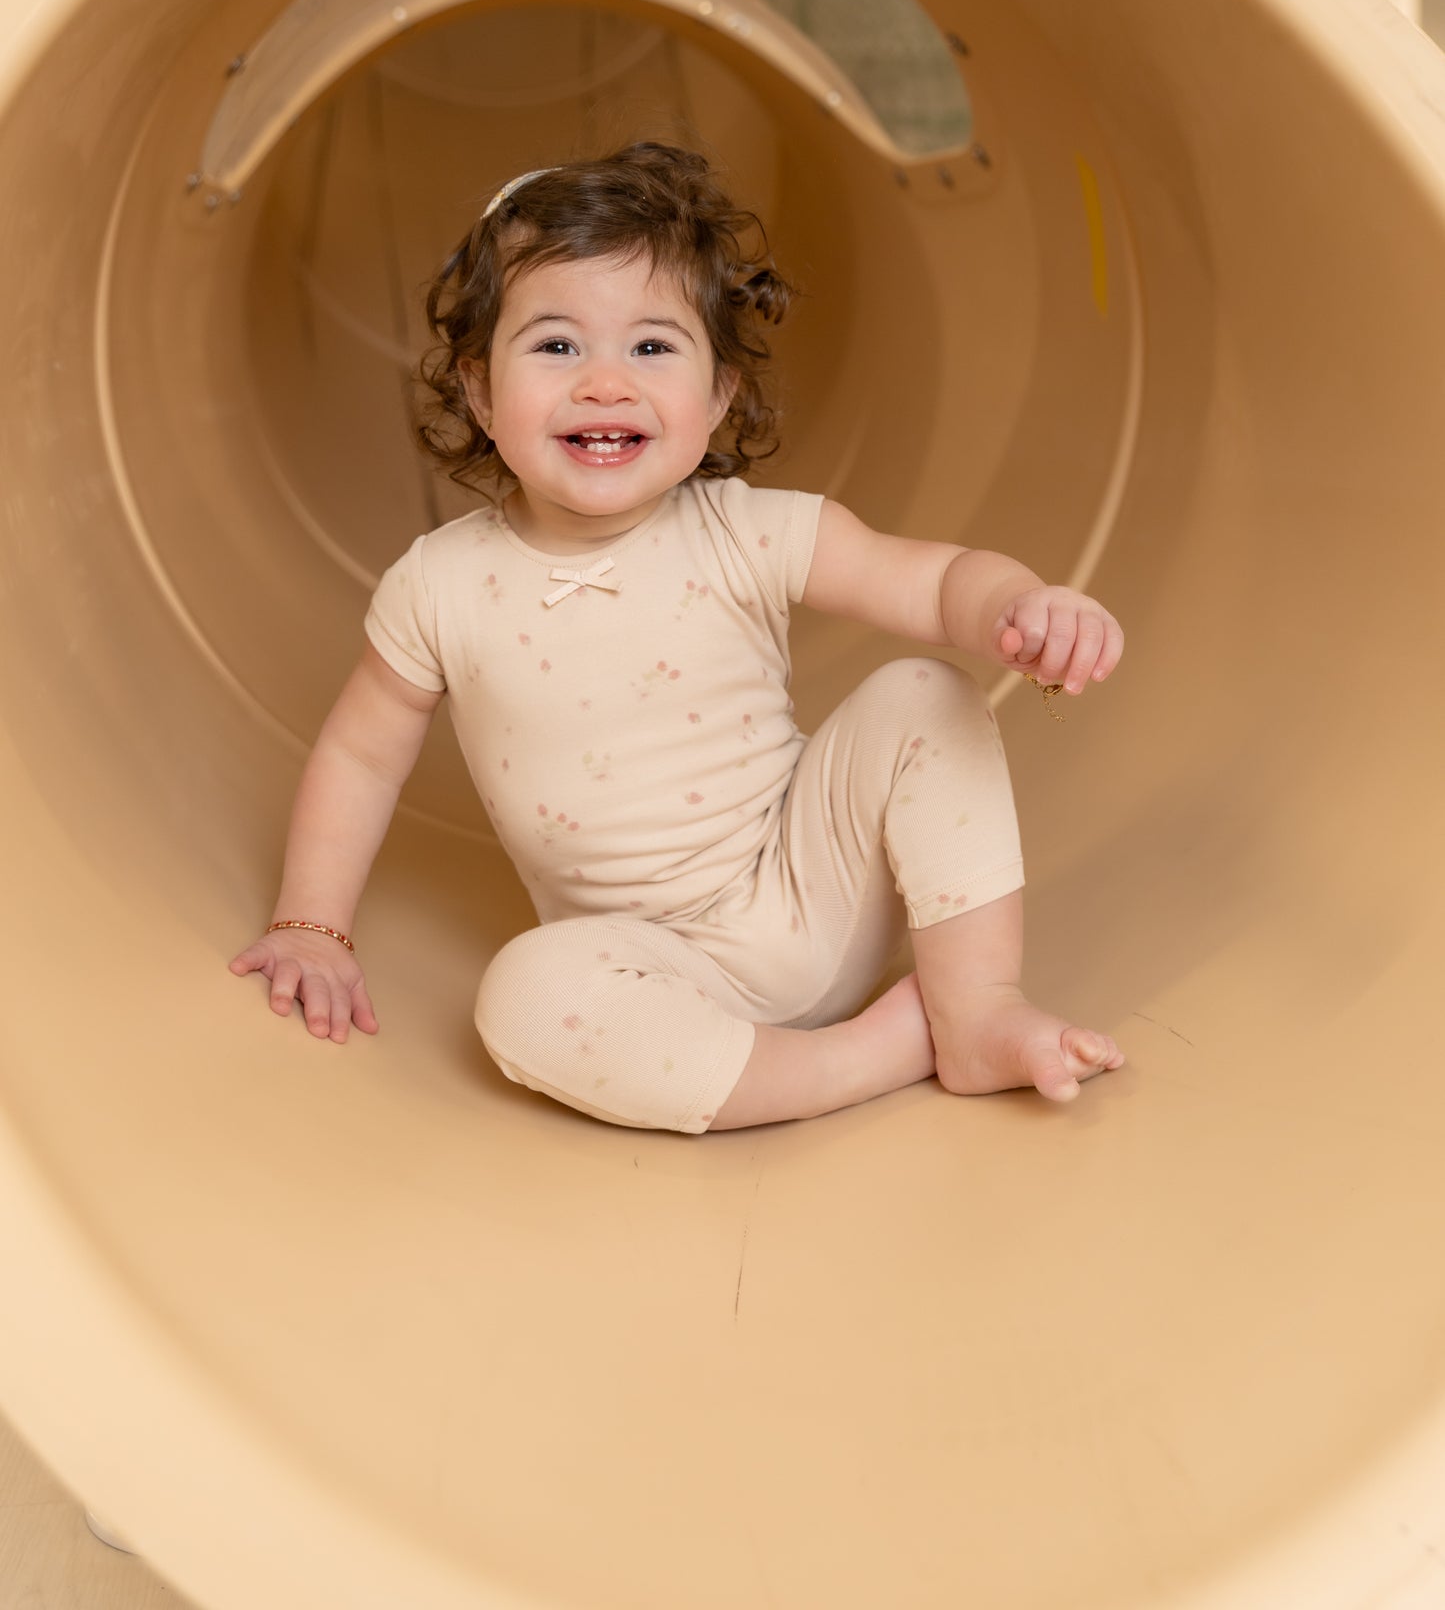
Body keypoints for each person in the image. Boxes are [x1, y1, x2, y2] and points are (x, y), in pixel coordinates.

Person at [229, 141, 1126, 1134]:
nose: (604, 382)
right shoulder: (438, 584)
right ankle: (875, 1052)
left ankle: (977, 1002)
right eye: (557, 346)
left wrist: (1019, 604)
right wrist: (311, 924)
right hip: (650, 968)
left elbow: (927, 578)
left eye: (652, 347)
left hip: (812, 890)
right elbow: (358, 754)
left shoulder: (744, 528)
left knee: (923, 690)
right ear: (481, 392)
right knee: (520, 994)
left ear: (717, 396)